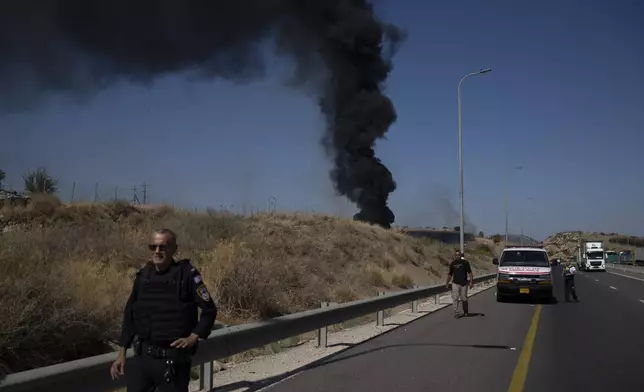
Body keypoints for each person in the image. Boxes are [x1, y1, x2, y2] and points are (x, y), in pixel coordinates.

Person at [110, 228, 217, 392]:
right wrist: (122, 351)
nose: (157, 251)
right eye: (153, 247)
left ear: (174, 249)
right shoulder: (143, 276)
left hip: (173, 362)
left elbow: (209, 310)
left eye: (163, 247)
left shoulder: (187, 275)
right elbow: (130, 314)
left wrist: (194, 336)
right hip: (143, 360)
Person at [446, 250, 474, 318]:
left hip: (464, 283)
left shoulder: (465, 262)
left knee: (464, 298)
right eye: (456, 255)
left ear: (460, 255)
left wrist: (471, 282)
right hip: (455, 283)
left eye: (459, 254)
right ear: (454, 256)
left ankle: (465, 311)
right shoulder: (453, 263)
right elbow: (450, 274)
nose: (457, 256)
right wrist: (447, 283)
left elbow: (470, 273)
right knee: (455, 298)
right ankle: (456, 312)